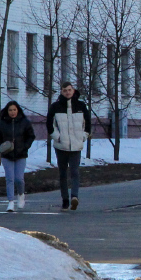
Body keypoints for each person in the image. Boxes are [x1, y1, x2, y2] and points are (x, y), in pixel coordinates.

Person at [47, 82, 91, 211]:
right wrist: (57, 137)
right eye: (65, 90)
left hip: (76, 145)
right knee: (62, 173)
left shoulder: (81, 106)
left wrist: (83, 136)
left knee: (75, 171)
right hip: (61, 146)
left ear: (73, 91)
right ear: (61, 92)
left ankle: (74, 197)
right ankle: (65, 199)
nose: (67, 92)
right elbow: (50, 124)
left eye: (69, 90)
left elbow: (87, 123)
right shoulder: (55, 107)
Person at [0, 100, 35, 212]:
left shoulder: (25, 122)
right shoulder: (3, 124)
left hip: (21, 154)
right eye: (10, 110)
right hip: (6, 155)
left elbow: (31, 136)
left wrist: (25, 146)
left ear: (18, 110)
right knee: (9, 179)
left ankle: (21, 195)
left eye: (14, 110)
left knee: (19, 179)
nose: (12, 112)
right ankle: (11, 202)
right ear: (7, 111)